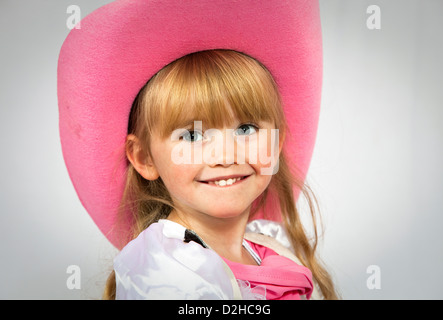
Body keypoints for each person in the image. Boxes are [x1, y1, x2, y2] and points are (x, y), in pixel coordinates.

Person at [57, 0, 338, 300]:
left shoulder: (271, 246)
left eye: (246, 129)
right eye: (192, 135)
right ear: (144, 157)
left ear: (277, 142)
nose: (225, 155)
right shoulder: (165, 274)